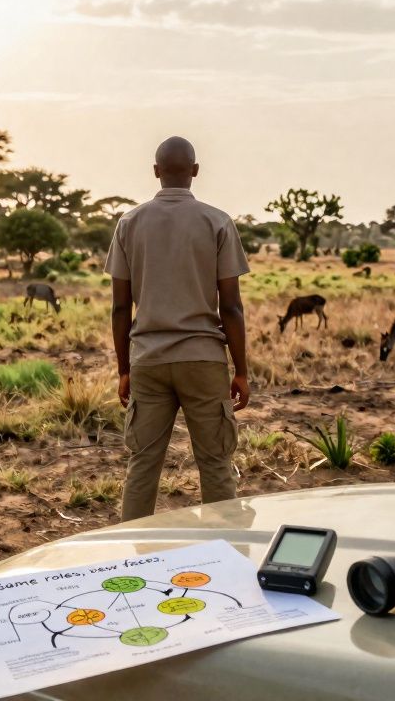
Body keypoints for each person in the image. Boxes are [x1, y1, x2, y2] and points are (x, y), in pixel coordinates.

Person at [105, 136, 251, 521]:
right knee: (216, 465)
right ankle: (229, 559)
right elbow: (231, 306)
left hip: (149, 361)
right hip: (203, 360)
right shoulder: (217, 221)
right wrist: (242, 371)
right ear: (195, 171)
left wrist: (124, 369)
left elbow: (120, 307)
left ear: (156, 172)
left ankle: (133, 566)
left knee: (143, 466)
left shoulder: (129, 223)